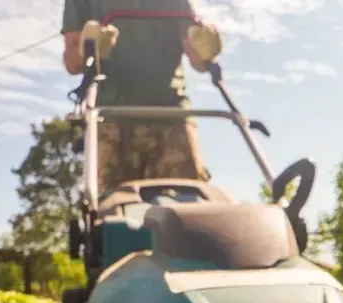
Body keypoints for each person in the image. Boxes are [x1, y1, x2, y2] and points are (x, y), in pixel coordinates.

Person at [61, 1, 223, 192]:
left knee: (189, 207)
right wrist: (86, 47)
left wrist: (205, 47)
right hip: (109, 119)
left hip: (171, 116)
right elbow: (71, 62)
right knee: (109, 211)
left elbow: (197, 55)